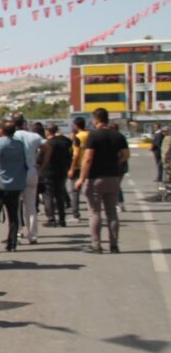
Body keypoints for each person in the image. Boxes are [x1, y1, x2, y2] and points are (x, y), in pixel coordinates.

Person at [75, 108, 129, 253]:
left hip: (95, 179)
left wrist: (81, 178)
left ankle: (96, 245)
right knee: (112, 212)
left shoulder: (94, 136)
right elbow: (125, 155)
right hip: (113, 178)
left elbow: (87, 159)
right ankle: (114, 245)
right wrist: (116, 163)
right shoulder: (118, 136)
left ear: (95, 120)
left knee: (95, 212)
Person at [0, 123, 28, 254]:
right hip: (15, 184)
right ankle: (12, 243)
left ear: (2, 132)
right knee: (13, 216)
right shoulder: (19, 145)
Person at [12, 115, 43, 245]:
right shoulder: (34, 136)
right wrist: (42, 164)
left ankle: (17, 233)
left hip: (15, 174)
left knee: (15, 206)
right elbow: (47, 146)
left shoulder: (11, 137)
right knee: (31, 206)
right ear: (24, 123)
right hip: (31, 172)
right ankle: (32, 235)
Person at [40, 125, 73, 227]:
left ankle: (51, 218)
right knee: (60, 195)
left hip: (48, 171)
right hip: (62, 171)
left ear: (48, 132)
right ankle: (62, 219)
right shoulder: (65, 143)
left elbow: (40, 158)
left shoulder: (48, 144)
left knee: (48, 195)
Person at [68, 116, 89, 221]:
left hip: (78, 167)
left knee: (75, 191)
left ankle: (75, 214)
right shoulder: (90, 135)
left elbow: (76, 155)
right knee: (89, 190)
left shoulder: (78, 137)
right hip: (88, 166)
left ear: (76, 125)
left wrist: (72, 168)